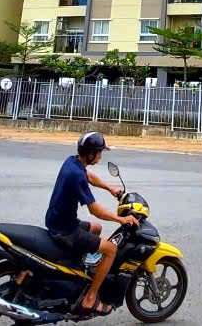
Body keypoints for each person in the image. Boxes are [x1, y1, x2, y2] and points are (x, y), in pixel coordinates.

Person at [45, 131, 137, 316]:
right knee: (111, 250)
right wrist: (121, 219)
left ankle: (79, 271)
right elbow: (95, 210)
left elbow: (89, 176)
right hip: (66, 230)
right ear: (90, 154)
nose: (100, 156)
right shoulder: (76, 176)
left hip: (58, 220)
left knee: (96, 228)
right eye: (99, 152)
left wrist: (110, 188)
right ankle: (90, 297)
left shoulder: (72, 162)